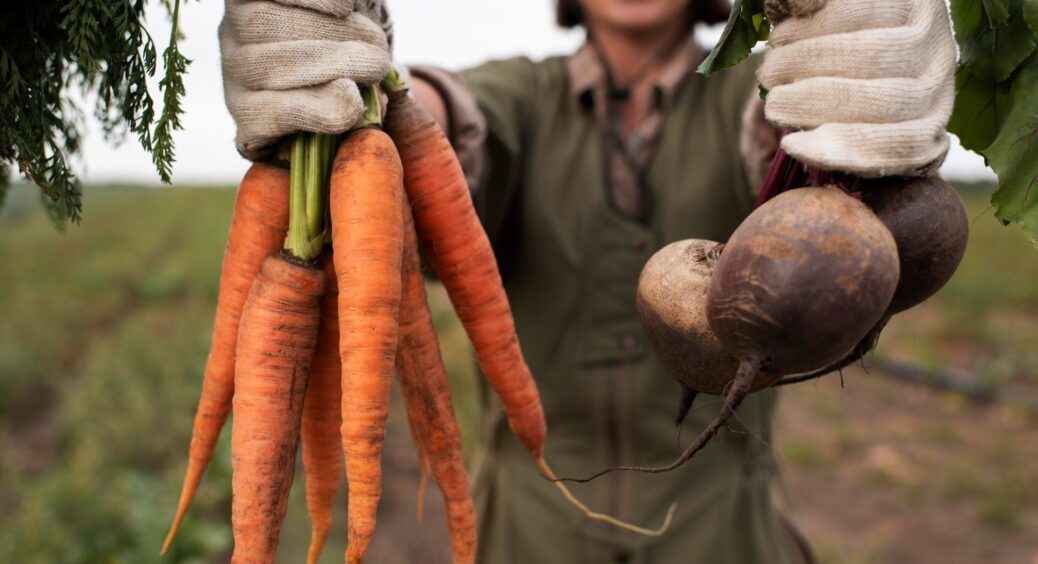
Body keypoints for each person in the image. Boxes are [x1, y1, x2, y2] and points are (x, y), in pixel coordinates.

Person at [219, 0, 955, 561]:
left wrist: (847, 106)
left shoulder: (745, 92)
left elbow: (783, 134)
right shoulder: (521, 93)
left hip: (723, 528)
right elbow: (457, 125)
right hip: (527, 530)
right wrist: (361, 100)